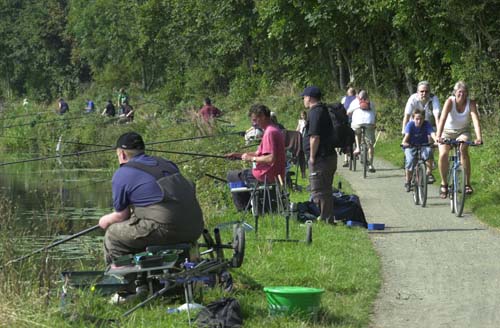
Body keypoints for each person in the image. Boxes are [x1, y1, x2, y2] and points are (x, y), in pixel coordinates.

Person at [98, 132, 204, 266]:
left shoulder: (122, 174)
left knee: (113, 235)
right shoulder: (167, 163)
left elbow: (121, 216)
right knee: (140, 226)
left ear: (122, 154)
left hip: (167, 229)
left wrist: (104, 220)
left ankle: (124, 281)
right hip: (195, 227)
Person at [226, 104, 286, 211]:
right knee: (240, 174)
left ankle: (245, 209)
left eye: (255, 120)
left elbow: (270, 158)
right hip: (275, 173)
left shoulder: (269, 133)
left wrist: (251, 159)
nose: (253, 123)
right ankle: (251, 206)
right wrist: (239, 155)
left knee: (232, 176)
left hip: (266, 174)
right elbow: (260, 153)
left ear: (262, 116)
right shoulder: (273, 129)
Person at [436, 81, 482, 199]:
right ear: (455, 93)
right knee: (443, 154)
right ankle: (444, 183)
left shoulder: (470, 103)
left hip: (463, 131)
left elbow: (475, 120)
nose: (461, 94)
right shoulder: (450, 101)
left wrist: (479, 137)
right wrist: (438, 136)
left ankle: (467, 183)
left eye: (464, 92)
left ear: (467, 93)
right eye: (459, 92)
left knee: (463, 149)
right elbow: (443, 118)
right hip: (447, 131)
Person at [301, 86, 336, 222]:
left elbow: (314, 136)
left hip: (321, 157)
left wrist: (311, 157)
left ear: (309, 98)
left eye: (304, 97)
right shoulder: (323, 110)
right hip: (327, 156)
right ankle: (328, 217)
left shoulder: (315, 112)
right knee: (325, 189)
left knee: (319, 189)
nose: (303, 100)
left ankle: (325, 217)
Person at [402, 81, 441, 172]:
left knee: (430, 142)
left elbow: (437, 117)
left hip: (429, 125)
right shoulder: (413, 99)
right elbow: (407, 116)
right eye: (422, 91)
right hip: (415, 125)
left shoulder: (434, 99)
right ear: (417, 92)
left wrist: (438, 135)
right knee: (412, 147)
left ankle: (429, 169)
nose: (424, 93)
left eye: (426, 91)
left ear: (429, 92)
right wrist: (404, 132)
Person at [402, 109, 436, 192]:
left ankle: (428, 174)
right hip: (410, 146)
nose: (419, 121)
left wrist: (436, 141)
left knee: (429, 152)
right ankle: (408, 181)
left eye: (421, 119)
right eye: (417, 119)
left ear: (424, 118)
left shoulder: (426, 124)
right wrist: (405, 143)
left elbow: (432, 134)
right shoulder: (410, 125)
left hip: (423, 145)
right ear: (413, 118)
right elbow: (405, 138)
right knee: (410, 161)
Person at [347, 90, 377, 173]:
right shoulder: (371, 102)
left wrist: (350, 115)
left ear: (358, 96)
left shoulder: (355, 102)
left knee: (357, 132)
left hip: (358, 122)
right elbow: (374, 114)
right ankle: (371, 165)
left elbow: (348, 112)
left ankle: (357, 147)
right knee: (370, 145)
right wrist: (374, 123)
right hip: (369, 122)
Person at [340, 87, 356, 167]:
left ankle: (345, 159)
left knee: (345, 137)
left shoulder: (344, 98)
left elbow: (341, 108)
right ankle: (358, 148)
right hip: (356, 120)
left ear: (348, 93)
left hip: (346, 120)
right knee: (357, 134)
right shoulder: (358, 99)